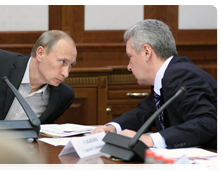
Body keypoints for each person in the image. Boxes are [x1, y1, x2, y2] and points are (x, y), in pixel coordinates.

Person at [91, 19, 219, 150]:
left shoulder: (181, 75)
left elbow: (208, 123)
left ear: (147, 52)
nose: (129, 67)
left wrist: (149, 139)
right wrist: (113, 127)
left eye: (130, 56)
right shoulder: (167, 76)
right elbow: (144, 112)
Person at [0, 30, 77, 124]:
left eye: (71, 65)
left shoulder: (63, 96)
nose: (66, 74)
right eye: (62, 62)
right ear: (40, 53)